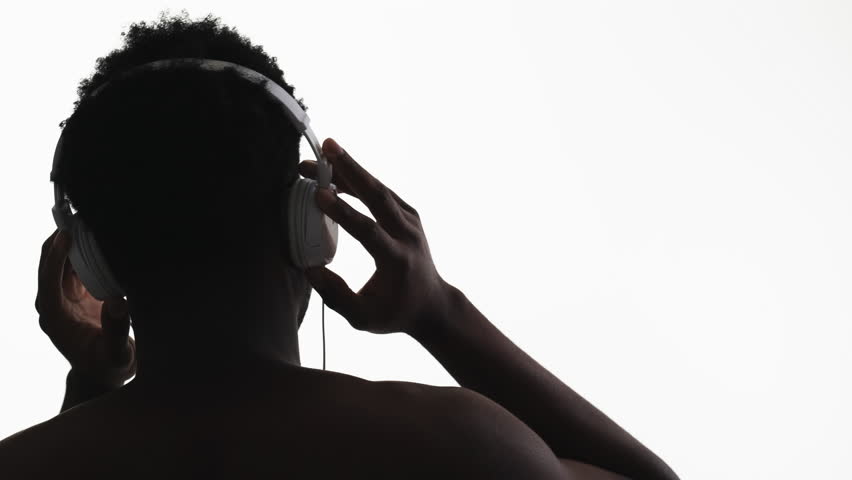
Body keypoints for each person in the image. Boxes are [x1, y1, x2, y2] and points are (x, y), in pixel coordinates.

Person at [0, 13, 679, 479]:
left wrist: (90, 386)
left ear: (93, 260)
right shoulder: (458, 446)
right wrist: (441, 311)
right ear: (308, 221)